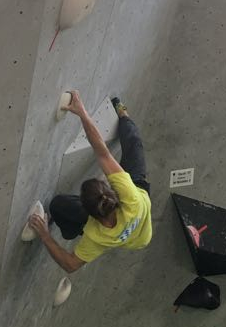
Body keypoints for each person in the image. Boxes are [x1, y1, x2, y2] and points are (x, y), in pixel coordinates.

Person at [28, 93, 152, 273]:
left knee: (58, 205)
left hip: (137, 234)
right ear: (113, 194)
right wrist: (82, 114)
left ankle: (69, 230)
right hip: (141, 230)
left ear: (89, 213)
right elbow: (103, 153)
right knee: (134, 143)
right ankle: (123, 114)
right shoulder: (131, 197)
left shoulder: (96, 237)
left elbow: (102, 154)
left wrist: (45, 235)